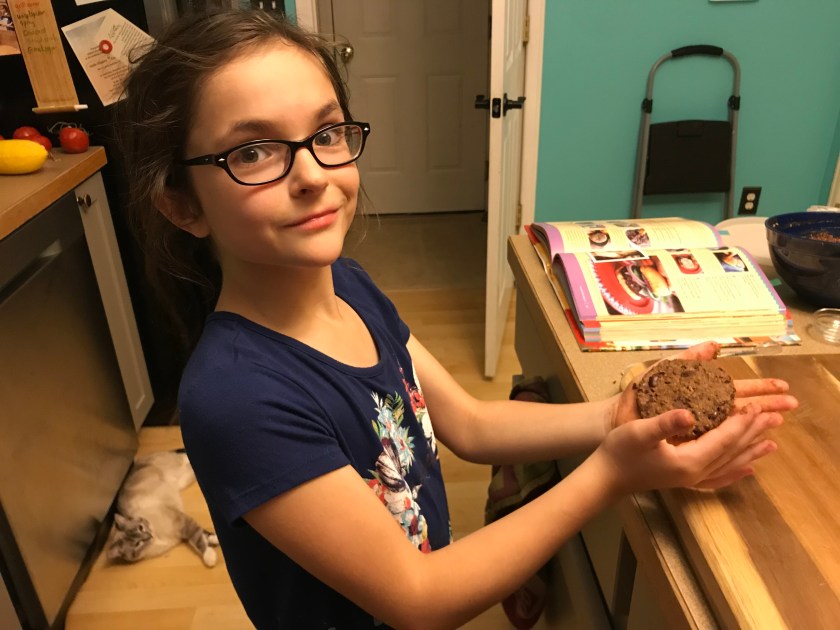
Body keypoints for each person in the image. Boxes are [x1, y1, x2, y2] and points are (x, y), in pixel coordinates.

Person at [116, 10, 798, 629]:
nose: (314, 174)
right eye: (253, 152)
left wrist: (613, 417)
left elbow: (468, 424)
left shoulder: (348, 287)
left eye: (326, 133)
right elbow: (418, 595)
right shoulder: (236, 398)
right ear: (182, 204)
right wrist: (612, 474)